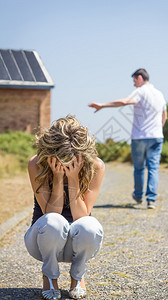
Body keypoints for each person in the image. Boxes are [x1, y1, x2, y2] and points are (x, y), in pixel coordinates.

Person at [24, 115, 105, 300]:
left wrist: (74, 179)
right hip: (42, 240)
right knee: (55, 221)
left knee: (90, 225)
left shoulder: (96, 166)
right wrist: (59, 178)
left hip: (77, 241)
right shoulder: (36, 164)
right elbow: (50, 214)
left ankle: (78, 276)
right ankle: (50, 275)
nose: (66, 164)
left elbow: (81, 217)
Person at [89, 68, 167, 209]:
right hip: (156, 136)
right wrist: (158, 129)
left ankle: (138, 196)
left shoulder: (141, 91)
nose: (134, 84)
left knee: (138, 168)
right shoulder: (160, 94)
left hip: (139, 137)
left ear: (140, 78)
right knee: (153, 168)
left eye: (134, 81)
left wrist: (103, 105)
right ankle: (151, 199)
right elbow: (164, 116)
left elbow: (125, 101)